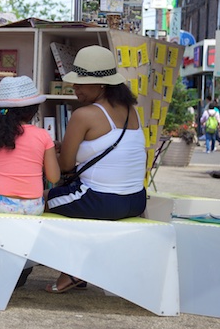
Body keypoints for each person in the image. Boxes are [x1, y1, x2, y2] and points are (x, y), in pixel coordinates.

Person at [45, 45, 147, 293]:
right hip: (136, 199)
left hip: (103, 200)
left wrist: (54, 151)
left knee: (44, 202)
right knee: (74, 202)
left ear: (102, 85)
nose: (75, 88)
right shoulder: (131, 112)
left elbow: (65, 167)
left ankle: (72, 270)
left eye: (82, 83)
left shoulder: (84, 115)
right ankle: (77, 270)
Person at [0, 76, 60, 215]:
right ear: (33, 110)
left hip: (1, 204)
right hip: (33, 207)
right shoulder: (43, 136)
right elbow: (54, 177)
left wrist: (4, 186)